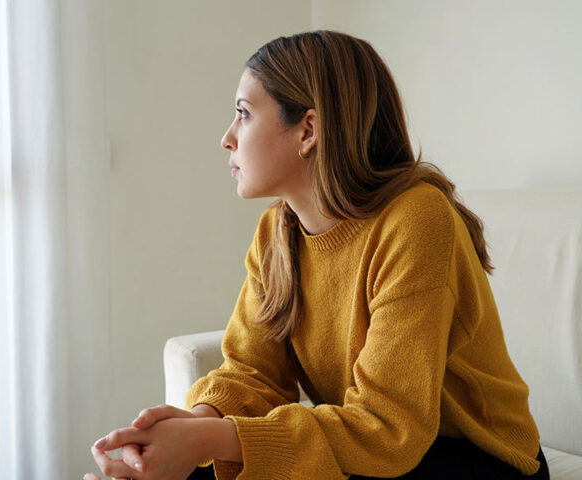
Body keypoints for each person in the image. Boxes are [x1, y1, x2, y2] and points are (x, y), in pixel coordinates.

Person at [85, 30, 550, 480]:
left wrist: (212, 439)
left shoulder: (416, 220)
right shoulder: (278, 231)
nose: (227, 138)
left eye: (243, 114)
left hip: (477, 457)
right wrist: (196, 425)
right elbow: (253, 371)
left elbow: (390, 429)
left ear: (307, 130)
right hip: (381, 449)